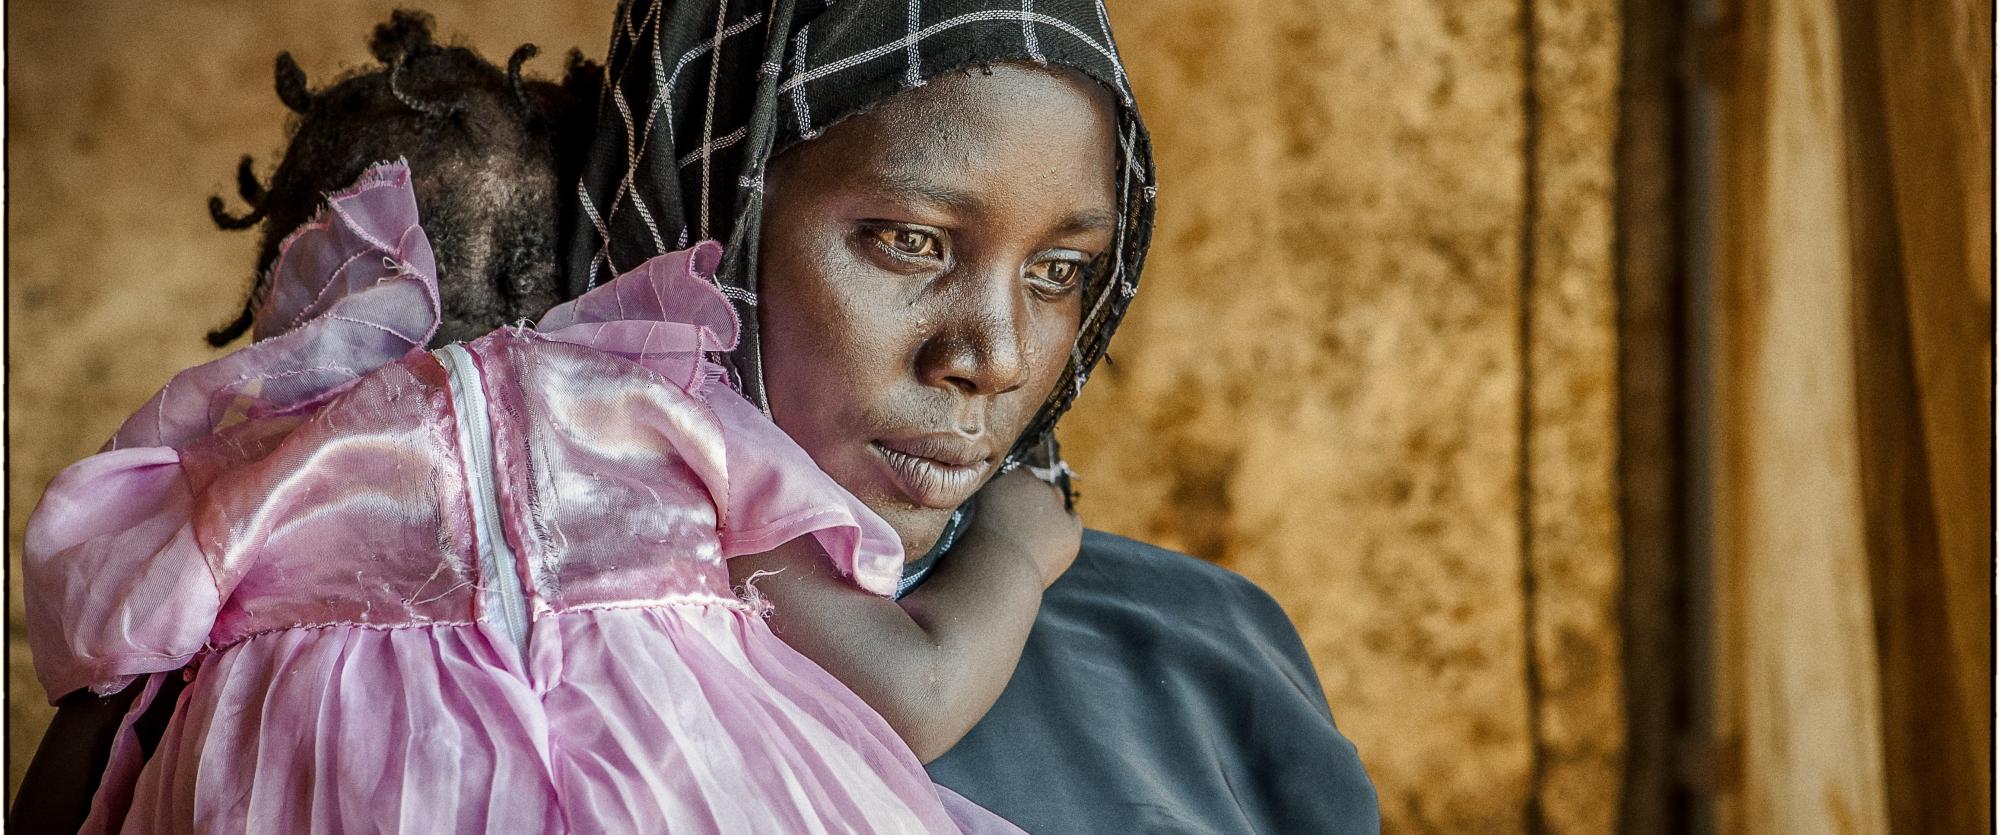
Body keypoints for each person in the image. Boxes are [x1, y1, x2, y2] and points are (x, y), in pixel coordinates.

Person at [15, 13, 1077, 833]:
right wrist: (1022, 545)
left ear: (295, 282)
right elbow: (915, 680)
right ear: (604, 261)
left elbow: (104, 696)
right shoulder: (663, 412)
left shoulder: (243, 467)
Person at [570, 2, 1379, 832]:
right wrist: (1011, 554)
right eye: (910, 241)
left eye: (1060, 269)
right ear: (709, 206)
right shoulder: (532, 636)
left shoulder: (1220, 653)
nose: (998, 358)